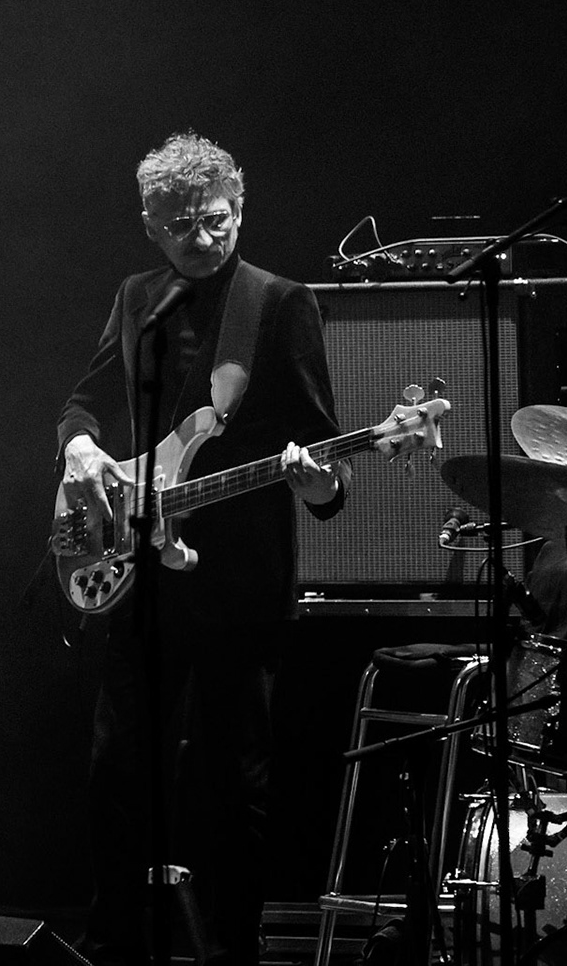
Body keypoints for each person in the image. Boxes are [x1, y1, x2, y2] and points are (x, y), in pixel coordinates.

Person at [57, 131, 351, 966]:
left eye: (217, 221)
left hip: (238, 581)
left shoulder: (279, 302)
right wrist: (80, 447)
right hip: (141, 573)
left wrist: (314, 480)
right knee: (118, 769)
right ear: (151, 225)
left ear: (240, 210)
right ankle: (115, 940)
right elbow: (83, 400)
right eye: (182, 225)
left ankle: (236, 949)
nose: (203, 238)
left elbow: (323, 454)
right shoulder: (137, 297)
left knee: (236, 780)